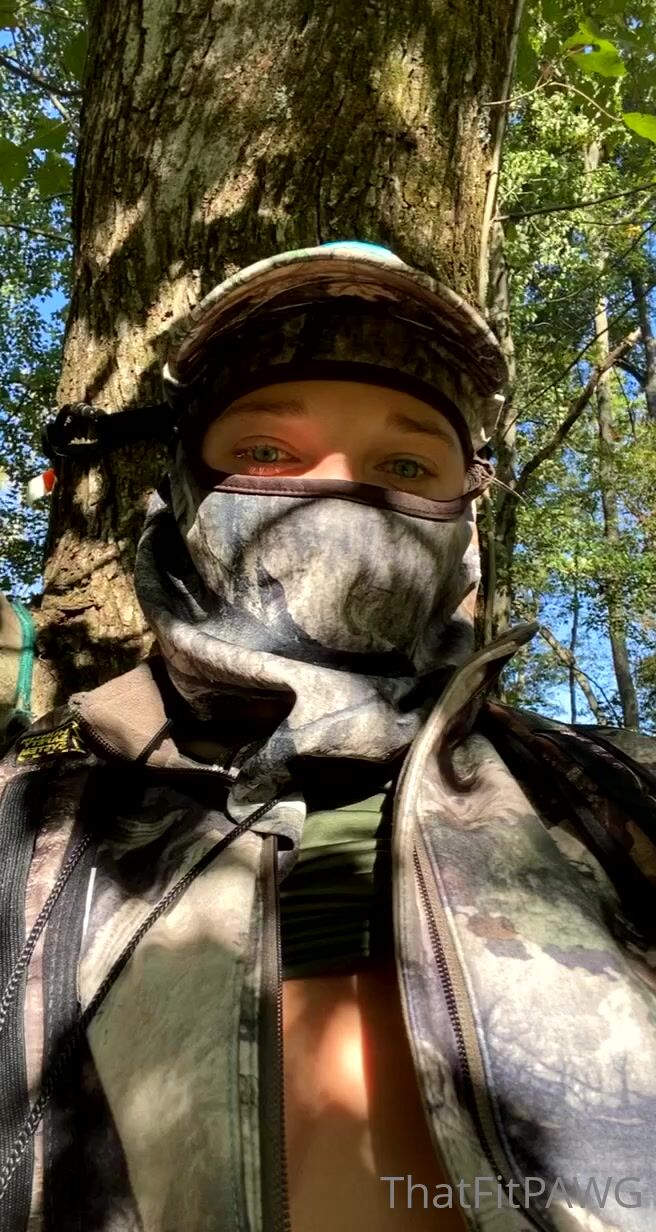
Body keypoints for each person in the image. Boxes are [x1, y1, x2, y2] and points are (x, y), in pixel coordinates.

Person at [0, 240, 655, 1232]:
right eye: (267, 453)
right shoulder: (30, 829)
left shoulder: (616, 803)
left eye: (404, 465)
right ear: (183, 487)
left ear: (466, 515)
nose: (340, 491)